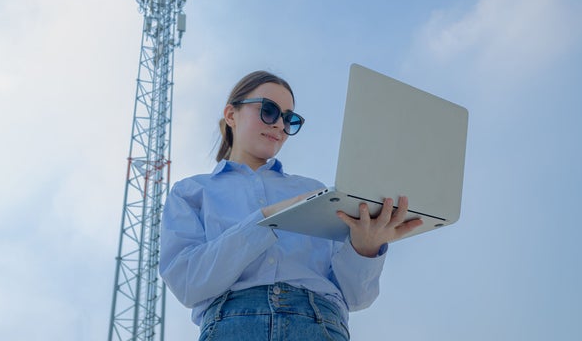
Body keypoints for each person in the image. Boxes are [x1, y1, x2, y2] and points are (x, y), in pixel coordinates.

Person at [159, 70, 423, 340]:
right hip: (231, 325)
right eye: (269, 110)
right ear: (231, 115)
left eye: (289, 119)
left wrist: (365, 249)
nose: (279, 125)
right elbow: (188, 283)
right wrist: (265, 219)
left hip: (319, 324)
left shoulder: (315, 192)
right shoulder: (191, 192)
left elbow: (356, 297)